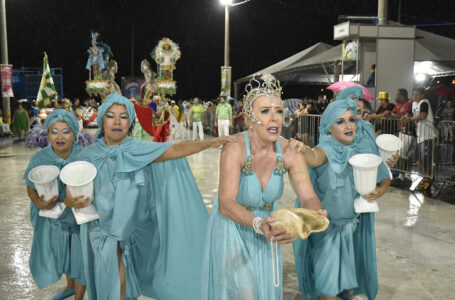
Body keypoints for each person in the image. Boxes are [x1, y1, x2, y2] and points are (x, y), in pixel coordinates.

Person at [71, 92, 234, 300]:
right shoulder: (87, 156)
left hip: (133, 229)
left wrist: (209, 144)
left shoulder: (138, 150)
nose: (117, 121)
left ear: (130, 121)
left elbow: (174, 149)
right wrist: (71, 200)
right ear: (102, 119)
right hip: (101, 229)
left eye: (123, 116)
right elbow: (70, 191)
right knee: (108, 278)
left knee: (123, 278)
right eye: (111, 115)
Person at [201, 74, 325, 300]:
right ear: (249, 118)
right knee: (245, 294)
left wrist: (313, 213)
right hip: (233, 227)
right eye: (265, 111)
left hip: (268, 229)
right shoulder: (235, 147)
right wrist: (258, 223)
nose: (275, 118)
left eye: (278, 111)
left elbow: (307, 195)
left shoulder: (290, 151)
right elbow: (226, 203)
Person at [291, 97, 391, 300]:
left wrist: (378, 192)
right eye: (340, 121)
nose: (348, 126)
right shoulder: (326, 149)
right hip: (326, 231)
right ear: (329, 128)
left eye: (351, 120)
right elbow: (314, 157)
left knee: (347, 287)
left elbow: (384, 177)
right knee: (328, 289)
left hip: (350, 231)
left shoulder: (360, 149)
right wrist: (303, 149)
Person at [23, 110, 87, 300]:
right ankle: (70, 285)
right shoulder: (40, 158)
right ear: (47, 134)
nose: (60, 137)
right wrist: (38, 202)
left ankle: (79, 296)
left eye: (65, 131)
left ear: (74, 133)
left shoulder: (84, 156)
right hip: (54, 216)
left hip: (79, 216)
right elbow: (29, 185)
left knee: (79, 254)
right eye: (54, 131)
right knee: (64, 250)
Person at [401, 87, 437, 190]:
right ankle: (428, 177)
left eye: (416, 94)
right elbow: (408, 114)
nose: (414, 96)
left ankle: (427, 179)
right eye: (413, 94)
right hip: (420, 135)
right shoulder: (413, 103)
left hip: (428, 135)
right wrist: (404, 117)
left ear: (422, 95)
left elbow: (423, 116)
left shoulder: (424, 102)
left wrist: (409, 119)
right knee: (417, 160)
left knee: (426, 159)